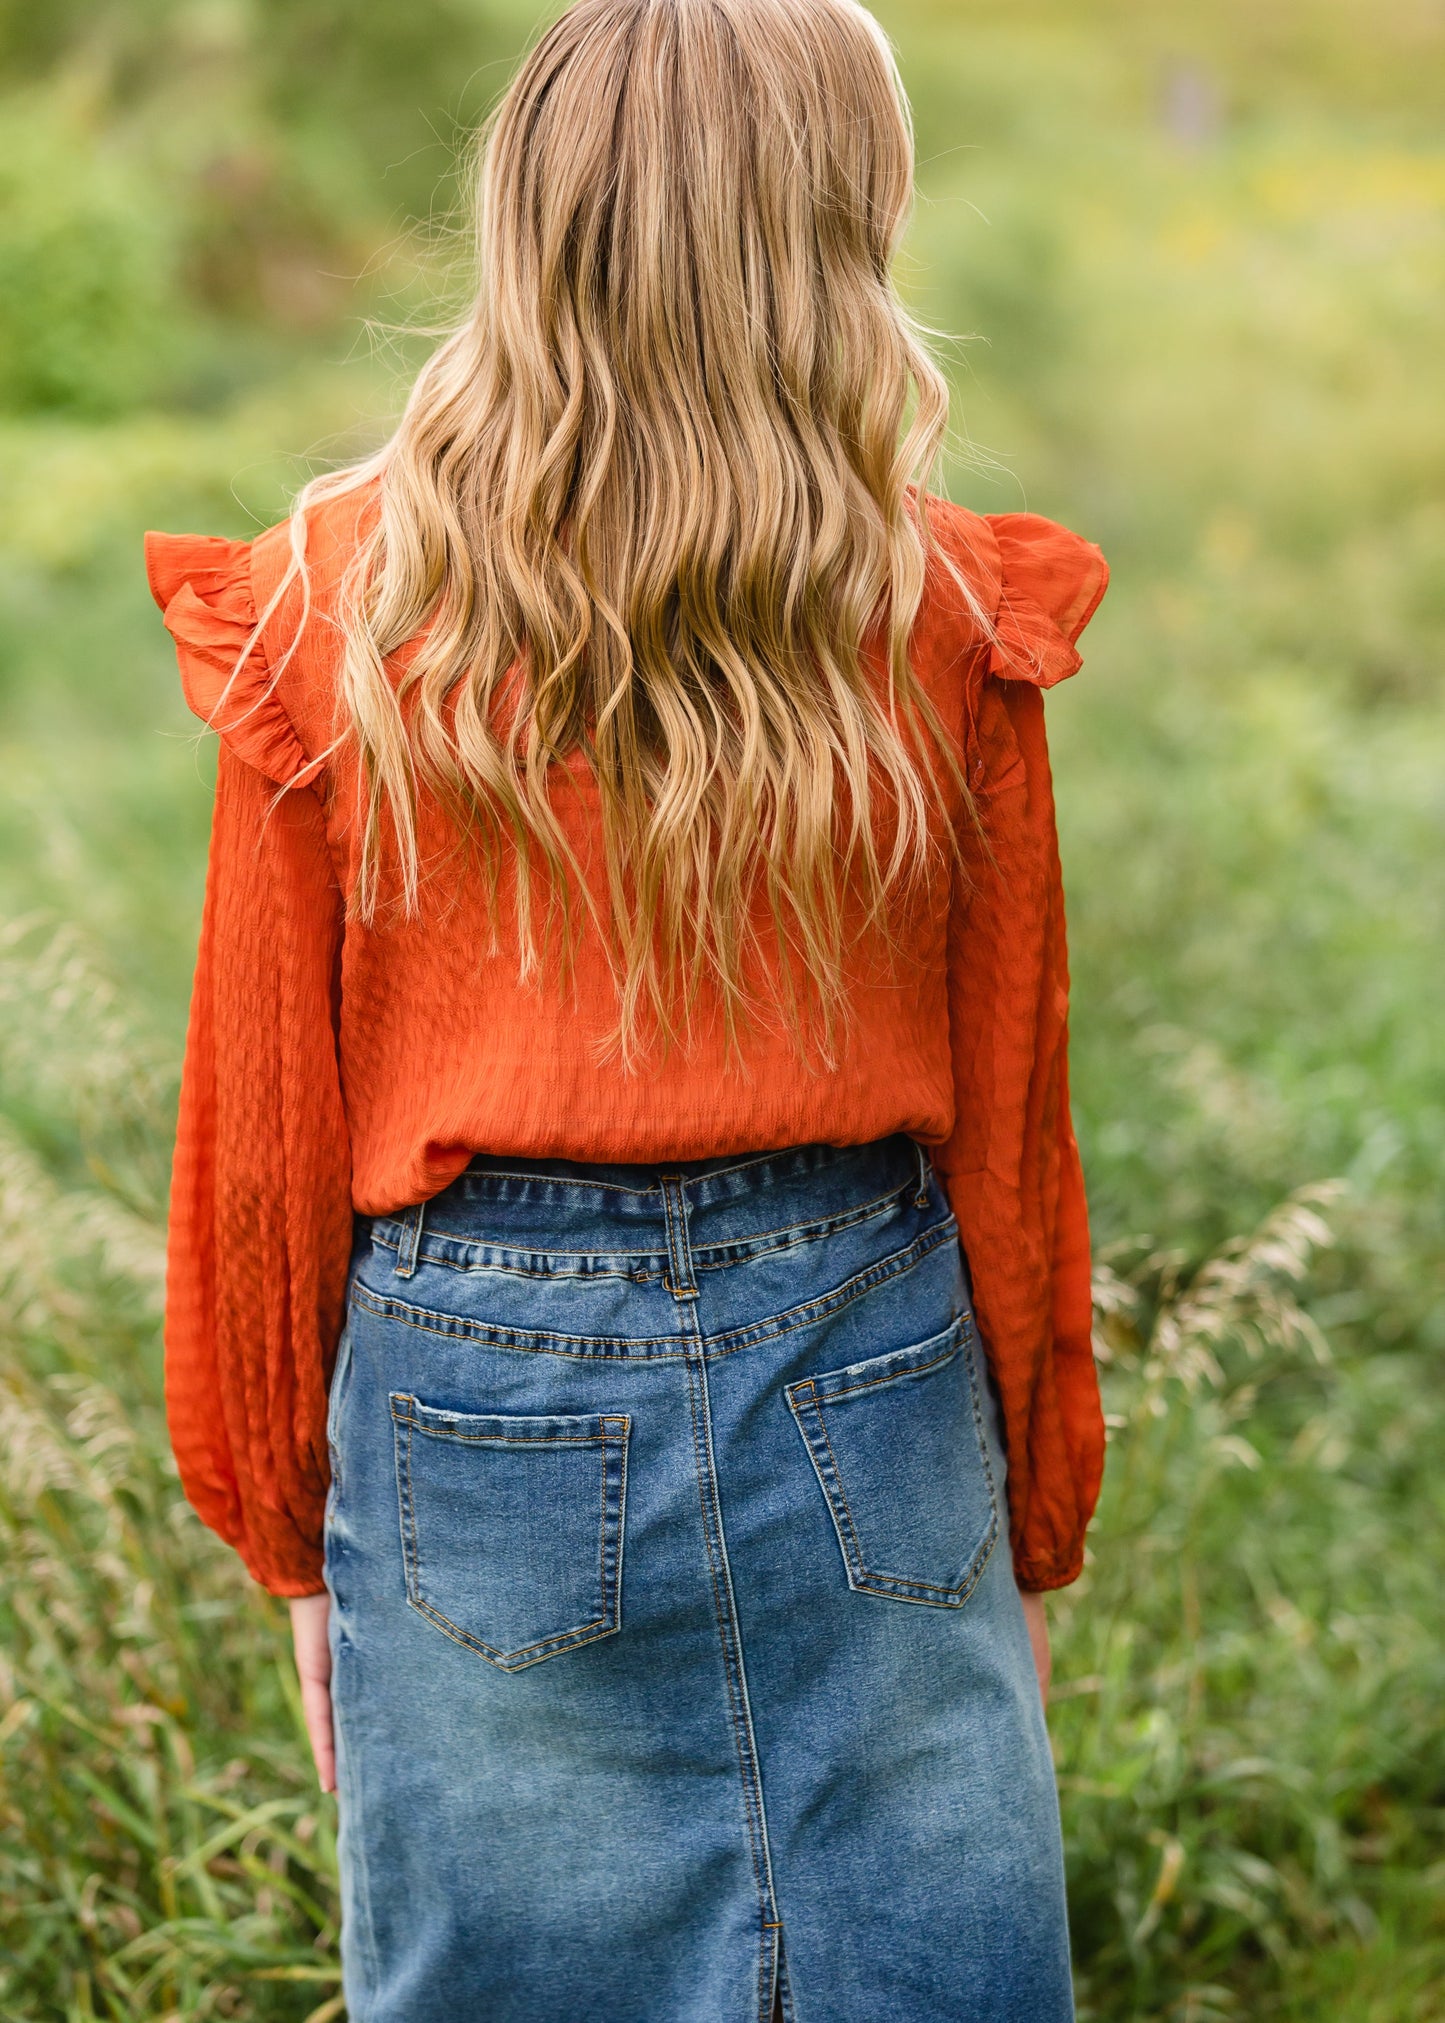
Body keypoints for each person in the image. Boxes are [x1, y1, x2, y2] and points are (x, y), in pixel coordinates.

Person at [145, 1, 1108, 2016]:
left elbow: (264, 1113)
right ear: (843, 229)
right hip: (872, 1351)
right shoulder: (934, 616)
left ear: (529, 217)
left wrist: (292, 1545)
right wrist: (1026, 1507)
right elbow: (1016, 1106)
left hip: (472, 1380)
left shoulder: (331, 599)